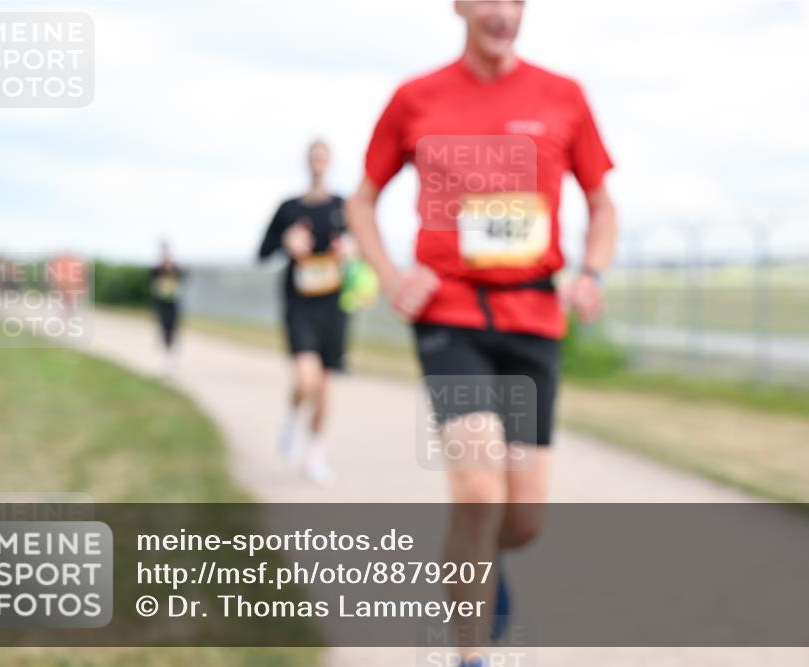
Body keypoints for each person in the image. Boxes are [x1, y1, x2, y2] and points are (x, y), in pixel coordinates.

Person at [346, 1, 617, 662]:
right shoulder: (416, 98)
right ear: (460, 7)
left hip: (532, 321)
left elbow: (602, 200)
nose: (502, 11)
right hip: (451, 316)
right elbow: (362, 199)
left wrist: (593, 273)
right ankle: (472, 654)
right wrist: (388, 274)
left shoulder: (563, 96)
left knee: (520, 519)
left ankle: (483, 554)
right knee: (477, 486)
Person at [259, 139, 354, 486]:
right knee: (306, 378)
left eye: (323, 156)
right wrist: (286, 240)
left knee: (325, 387)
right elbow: (262, 251)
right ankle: (292, 416)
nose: (318, 161)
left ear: (330, 161)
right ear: (307, 161)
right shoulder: (288, 208)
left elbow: (363, 249)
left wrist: (350, 249)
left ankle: (313, 452)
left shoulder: (344, 207)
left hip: (334, 305)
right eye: (313, 155)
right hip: (299, 304)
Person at [149, 242, 185, 378]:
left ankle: (170, 354)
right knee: (163, 328)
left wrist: (172, 270)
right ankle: (164, 355)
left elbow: (182, 277)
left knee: (172, 329)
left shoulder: (176, 268)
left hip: (173, 303)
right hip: (161, 304)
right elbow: (152, 279)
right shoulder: (156, 270)